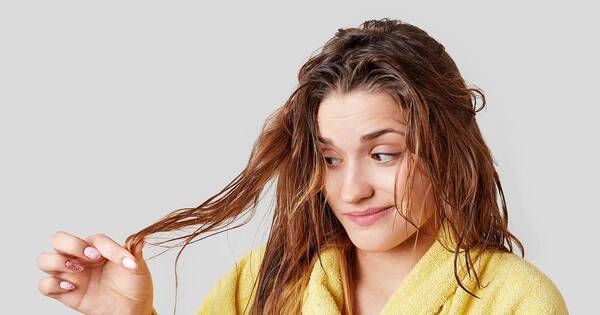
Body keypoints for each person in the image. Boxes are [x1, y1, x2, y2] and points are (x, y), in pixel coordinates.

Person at [36, 18, 569, 314]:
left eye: (384, 154)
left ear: (446, 149)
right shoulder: (264, 282)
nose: (351, 189)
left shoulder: (516, 301)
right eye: (330, 158)